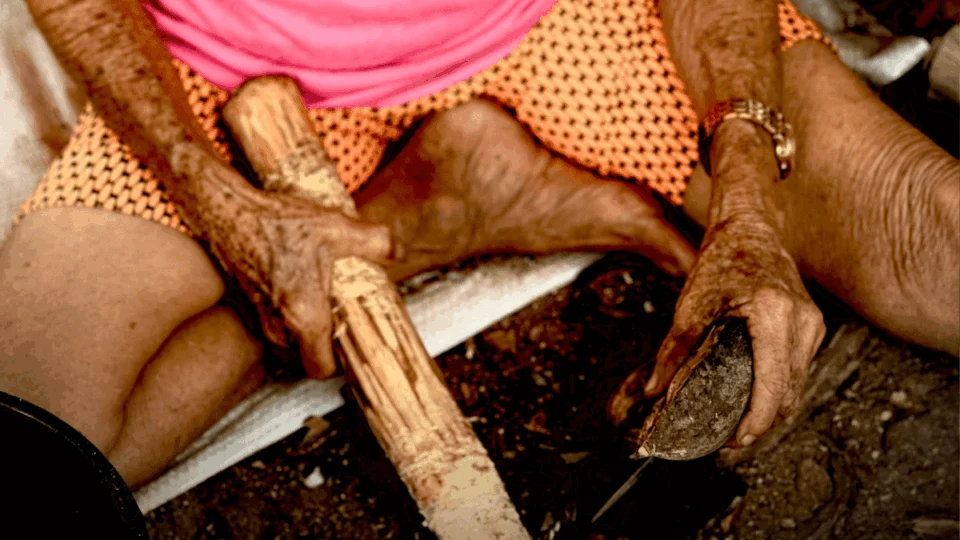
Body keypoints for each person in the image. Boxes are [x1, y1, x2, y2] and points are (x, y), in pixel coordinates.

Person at [3, 0, 956, 489]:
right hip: (215, 67)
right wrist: (226, 211)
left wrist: (750, 199)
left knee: (928, 240)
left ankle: (427, 211)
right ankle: (422, 221)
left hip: (559, 17)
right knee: (40, 452)